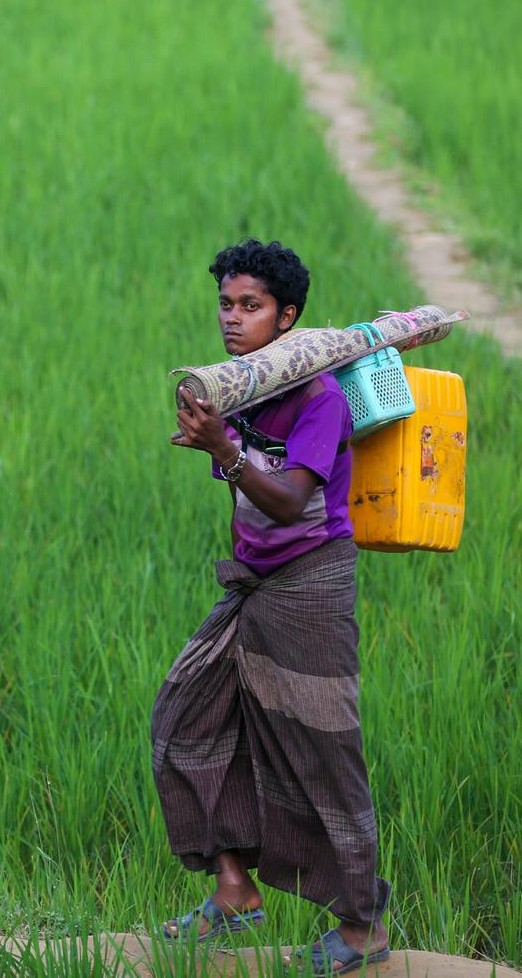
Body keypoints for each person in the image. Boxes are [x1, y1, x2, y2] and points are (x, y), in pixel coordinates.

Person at [152, 238, 390, 974]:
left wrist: (224, 451)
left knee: (323, 752)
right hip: (251, 584)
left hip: (311, 582)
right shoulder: (237, 390)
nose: (232, 317)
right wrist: (218, 441)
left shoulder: (320, 398)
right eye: (225, 303)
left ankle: (363, 927)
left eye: (250, 305)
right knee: (183, 717)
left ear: (287, 316)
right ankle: (234, 890)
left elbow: (289, 502)